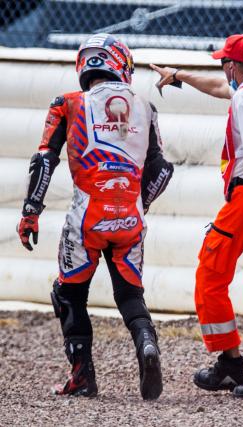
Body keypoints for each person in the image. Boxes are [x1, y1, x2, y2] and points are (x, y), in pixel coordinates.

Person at [17, 33, 173, 400]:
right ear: (120, 63)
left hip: (85, 217)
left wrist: (30, 212)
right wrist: (141, 203)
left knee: (68, 294)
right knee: (131, 295)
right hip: (130, 216)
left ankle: (82, 376)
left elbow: (44, 159)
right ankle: (147, 344)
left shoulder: (68, 103)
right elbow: (163, 169)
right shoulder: (147, 107)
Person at [151, 34, 243, 401]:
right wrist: (179, 75)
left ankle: (230, 361)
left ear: (234, 65)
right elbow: (220, 87)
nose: (223, 72)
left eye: (224, 64)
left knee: (211, 273)